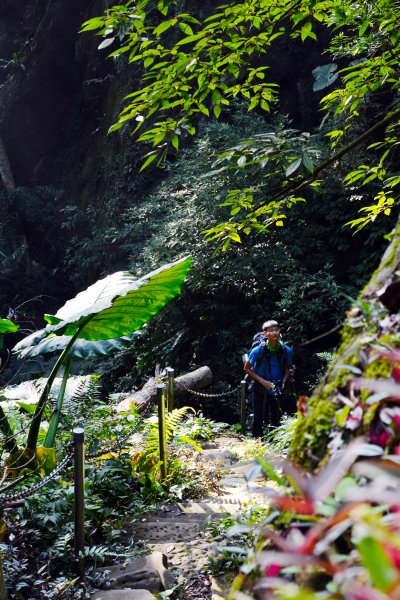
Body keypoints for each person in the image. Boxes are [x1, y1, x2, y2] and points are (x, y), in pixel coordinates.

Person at [243, 320, 293, 438]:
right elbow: (247, 368)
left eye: (277, 330)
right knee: (258, 415)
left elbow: (288, 368)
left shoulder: (286, 350)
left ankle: (274, 441)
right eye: (271, 331)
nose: (275, 333)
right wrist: (263, 381)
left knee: (276, 415)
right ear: (265, 333)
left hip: (277, 385)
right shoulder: (257, 351)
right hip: (259, 385)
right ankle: (257, 442)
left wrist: (284, 381)